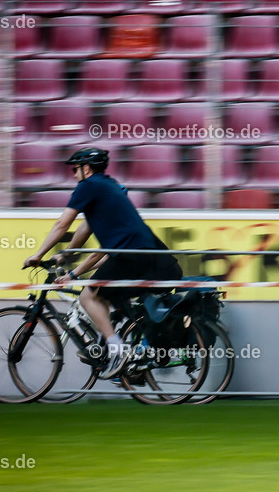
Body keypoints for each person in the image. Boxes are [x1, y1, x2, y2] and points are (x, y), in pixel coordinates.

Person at [23, 147, 182, 379]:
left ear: (86, 168)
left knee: (89, 296)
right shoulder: (110, 186)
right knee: (107, 296)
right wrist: (67, 255)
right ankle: (125, 359)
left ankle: (116, 351)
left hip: (132, 256)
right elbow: (85, 229)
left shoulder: (88, 186)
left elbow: (62, 224)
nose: (74, 175)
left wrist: (39, 254)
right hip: (150, 256)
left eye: (75, 169)